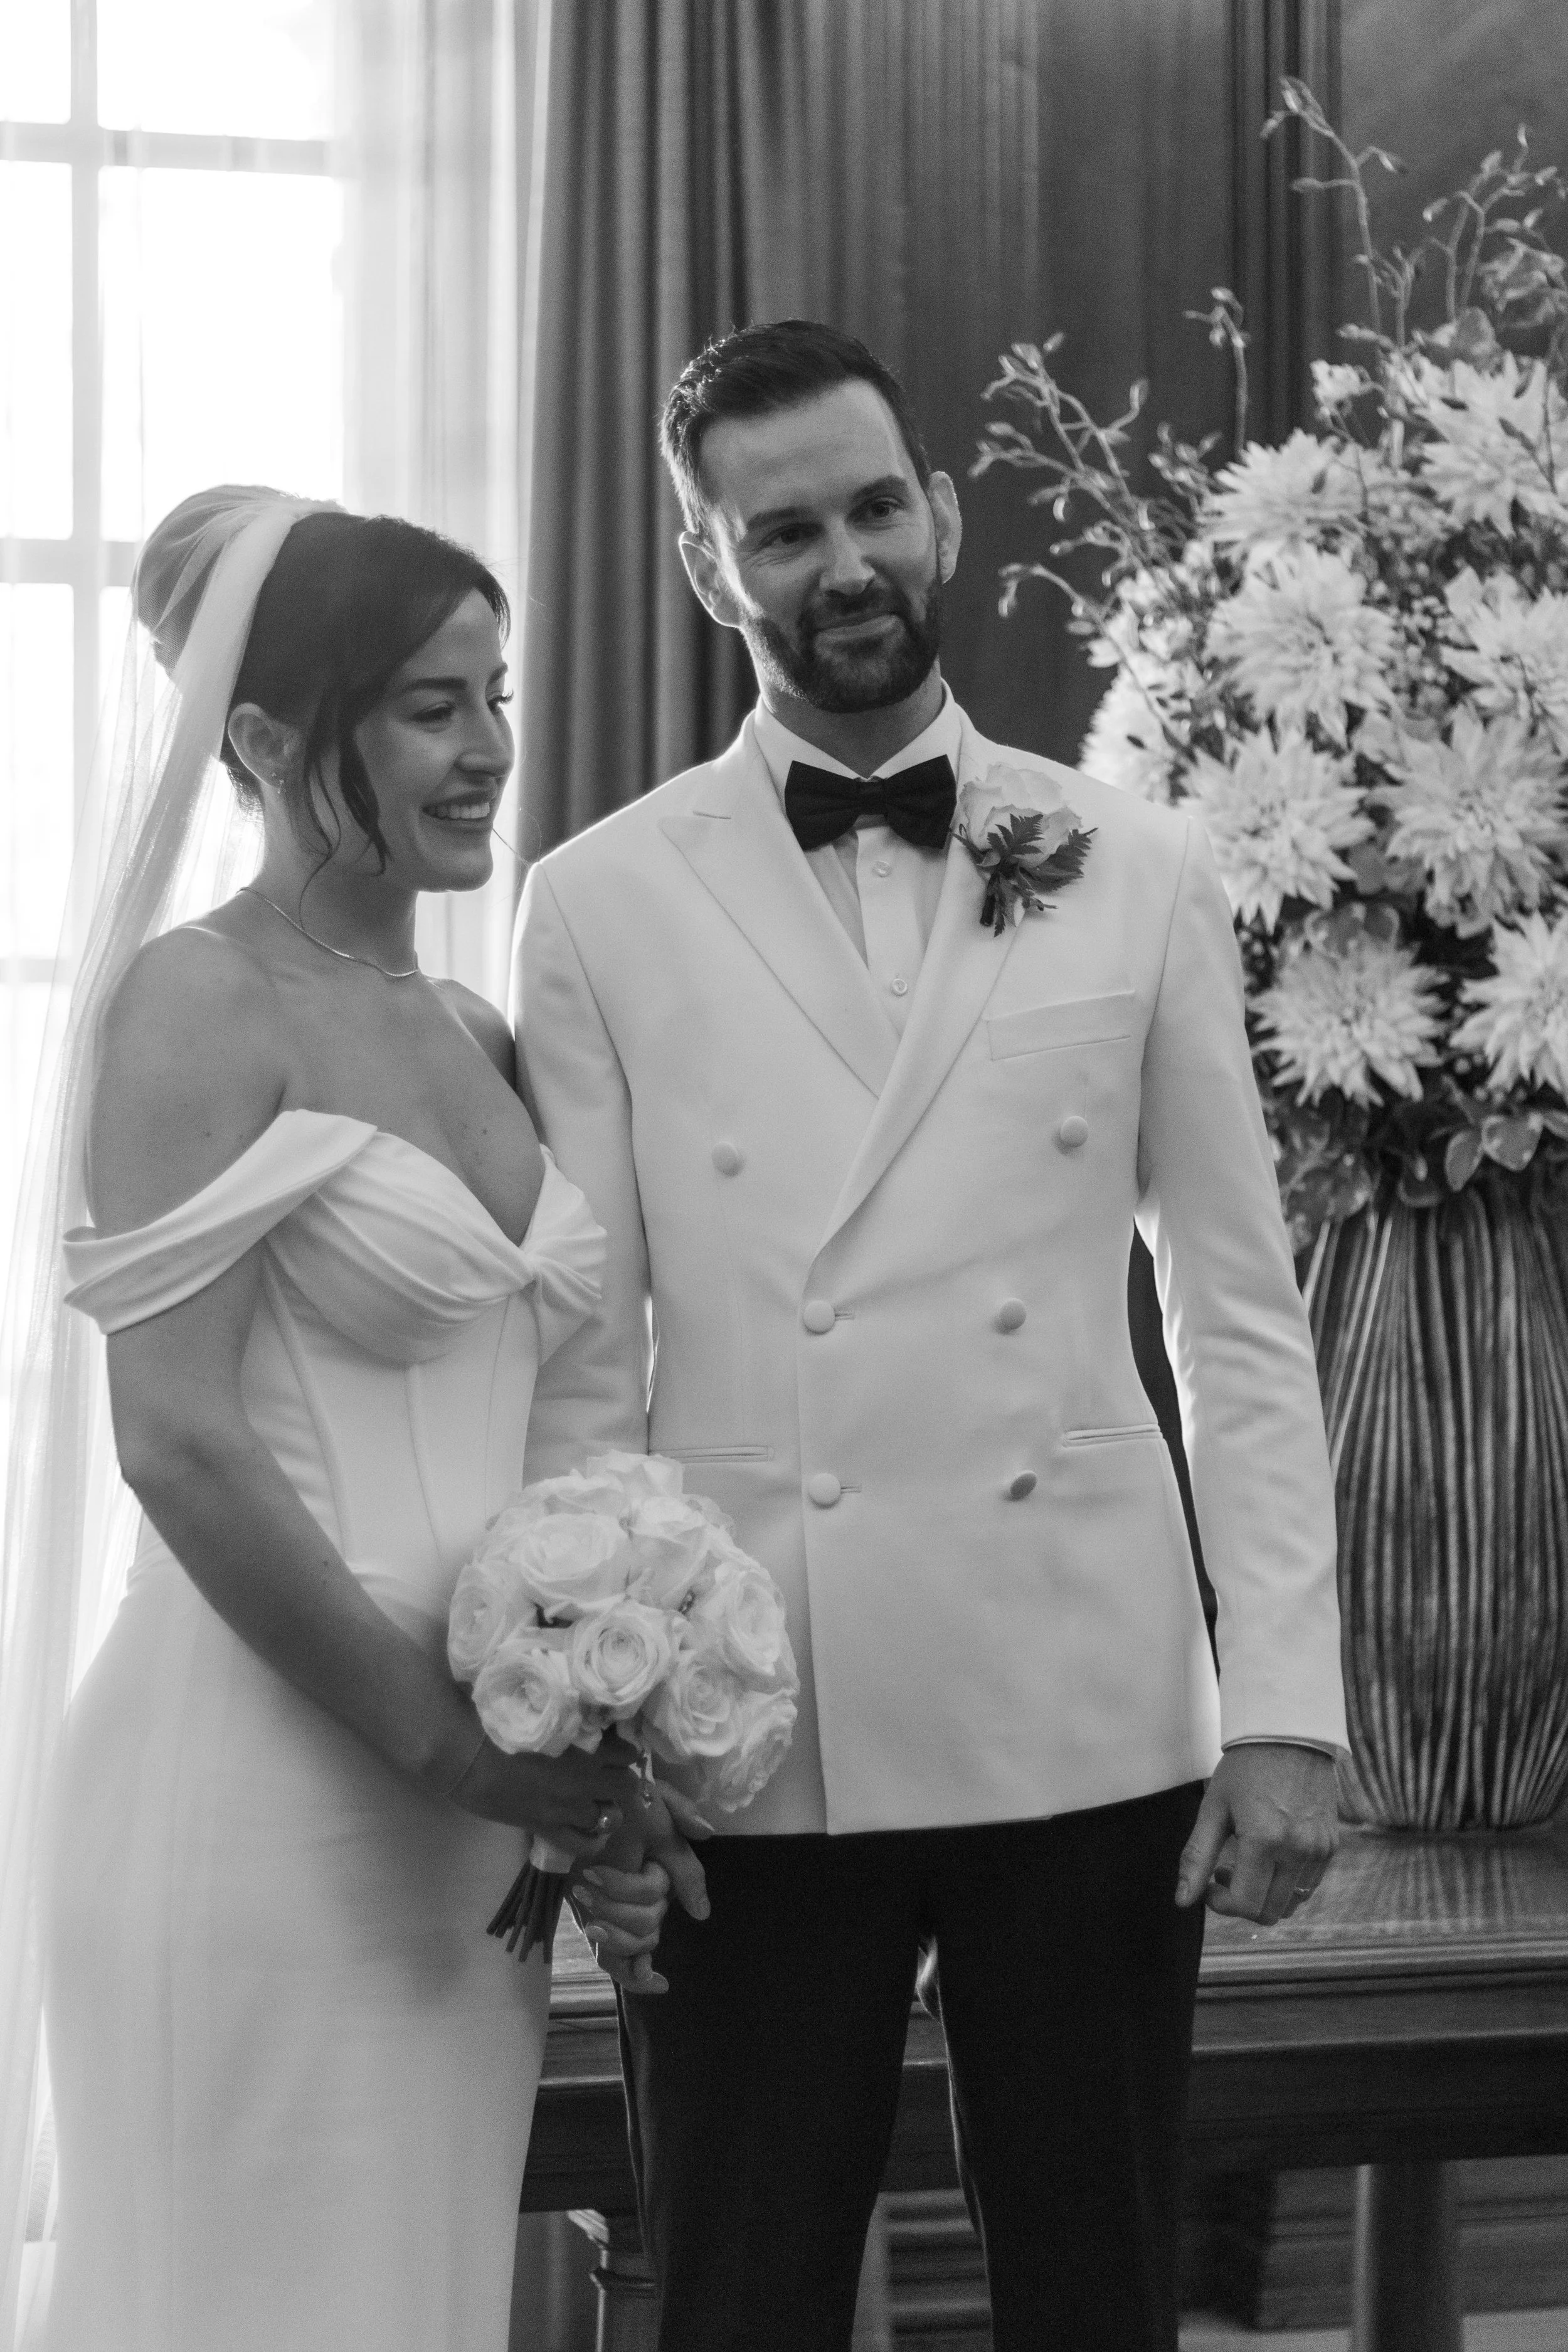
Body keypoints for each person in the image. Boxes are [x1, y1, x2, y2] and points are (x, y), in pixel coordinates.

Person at [511, 320, 1348, 2352]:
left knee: (1094, 2292)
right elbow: (572, 1365)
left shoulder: (1133, 862)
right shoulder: (598, 900)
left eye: (875, 506)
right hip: (749, 1716)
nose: (845, 561)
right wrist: (593, 1747)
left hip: (1075, 1700)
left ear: (943, 514)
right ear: (716, 569)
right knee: (733, 2289)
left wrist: (1287, 1699)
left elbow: (1231, 1306)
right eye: (781, 529)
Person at [13, 489, 705, 2352]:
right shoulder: (195, 1002)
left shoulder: (482, 1040)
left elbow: (557, 1435)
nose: (488, 747)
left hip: (464, 1848)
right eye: (427, 705)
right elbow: (178, 1443)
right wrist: (454, 1749)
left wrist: (579, 1756)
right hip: (257, 1795)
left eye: (493, 692)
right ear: (262, 741)